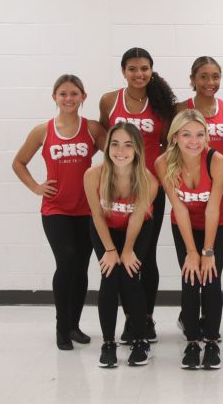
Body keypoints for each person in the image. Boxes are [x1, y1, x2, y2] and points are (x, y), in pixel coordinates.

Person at [12, 74, 105, 350]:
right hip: (56, 209)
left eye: (74, 93)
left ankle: (74, 325)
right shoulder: (43, 130)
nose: (68, 98)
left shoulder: (92, 128)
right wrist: (36, 187)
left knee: (81, 266)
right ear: (54, 97)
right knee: (66, 260)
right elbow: (18, 162)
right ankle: (61, 327)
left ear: (83, 97)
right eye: (63, 93)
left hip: (87, 209)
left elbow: (117, 154)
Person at [99, 47, 176, 343]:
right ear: (123, 71)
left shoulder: (160, 104)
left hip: (150, 187)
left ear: (151, 71)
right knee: (120, 255)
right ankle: (130, 316)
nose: (139, 74)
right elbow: (107, 138)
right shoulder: (109, 100)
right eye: (132, 68)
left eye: (144, 68)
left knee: (146, 255)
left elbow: (167, 144)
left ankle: (146, 317)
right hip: (117, 187)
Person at [155, 109, 223, 370]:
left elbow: (213, 208)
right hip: (184, 223)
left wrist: (207, 252)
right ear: (175, 137)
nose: (194, 141)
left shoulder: (217, 160)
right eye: (186, 134)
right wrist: (191, 251)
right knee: (190, 279)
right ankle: (191, 342)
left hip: (217, 223)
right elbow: (178, 207)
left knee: (210, 279)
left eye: (200, 134)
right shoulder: (163, 162)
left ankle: (211, 341)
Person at [84, 122, 158, 368]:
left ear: (137, 149)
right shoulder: (93, 175)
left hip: (137, 229)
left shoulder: (149, 180)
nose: (120, 151)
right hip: (105, 229)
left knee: (129, 275)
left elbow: (137, 217)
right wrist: (110, 250)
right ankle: (108, 343)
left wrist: (127, 251)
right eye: (115, 144)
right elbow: (96, 215)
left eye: (128, 145)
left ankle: (140, 341)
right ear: (107, 147)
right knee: (109, 276)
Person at [174, 56, 223, 158]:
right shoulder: (180, 109)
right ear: (193, 79)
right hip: (187, 169)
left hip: (220, 168)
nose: (210, 82)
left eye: (215, 77)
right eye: (204, 77)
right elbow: (171, 149)